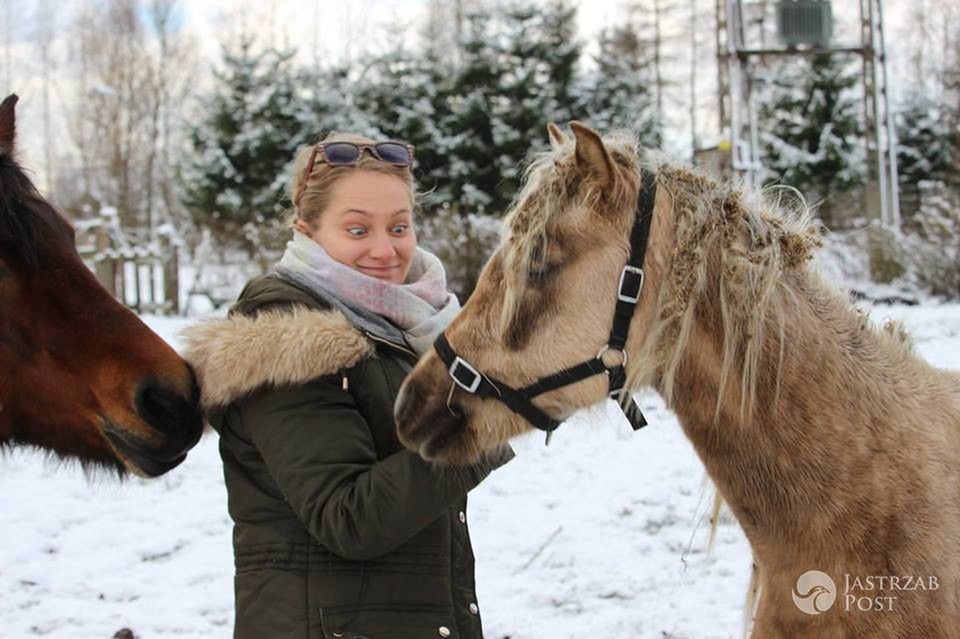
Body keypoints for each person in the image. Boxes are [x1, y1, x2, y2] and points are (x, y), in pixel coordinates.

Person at [182, 133, 513, 639]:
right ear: (307, 230)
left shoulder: (405, 327)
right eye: (357, 229)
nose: (386, 250)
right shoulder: (286, 338)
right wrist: (478, 426)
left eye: (399, 226)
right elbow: (349, 518)